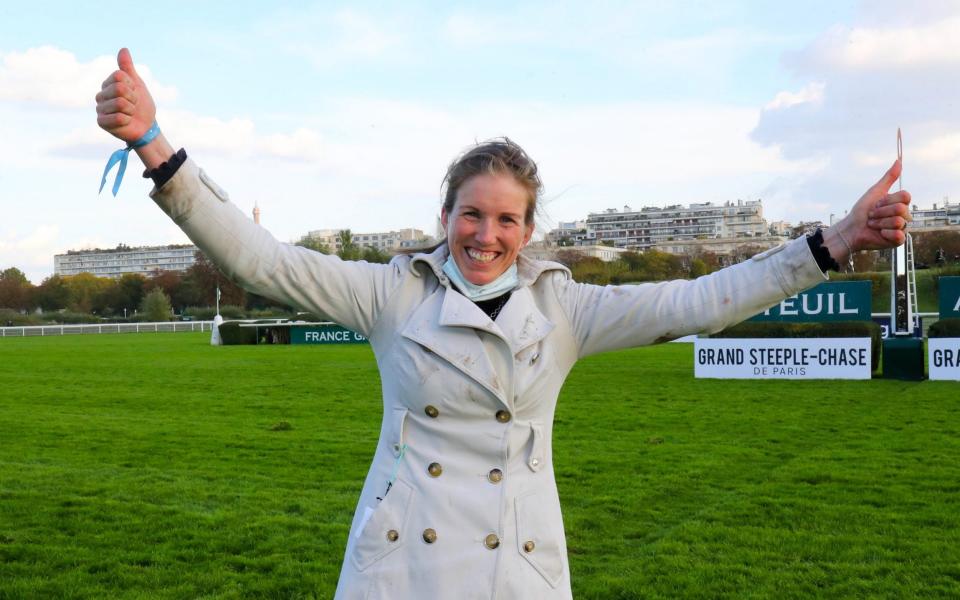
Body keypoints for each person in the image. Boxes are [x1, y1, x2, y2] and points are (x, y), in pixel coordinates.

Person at [96, 48, 911, 599]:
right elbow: (261, 260)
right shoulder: (390, 294)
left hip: (511, 570)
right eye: (471, 215)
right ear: (444, 215)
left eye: (507, 221)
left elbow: (698, 300)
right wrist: (157, 147)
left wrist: (834, 242)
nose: (486, 237)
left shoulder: (565, 310)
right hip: (400, 568)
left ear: (530, 230)